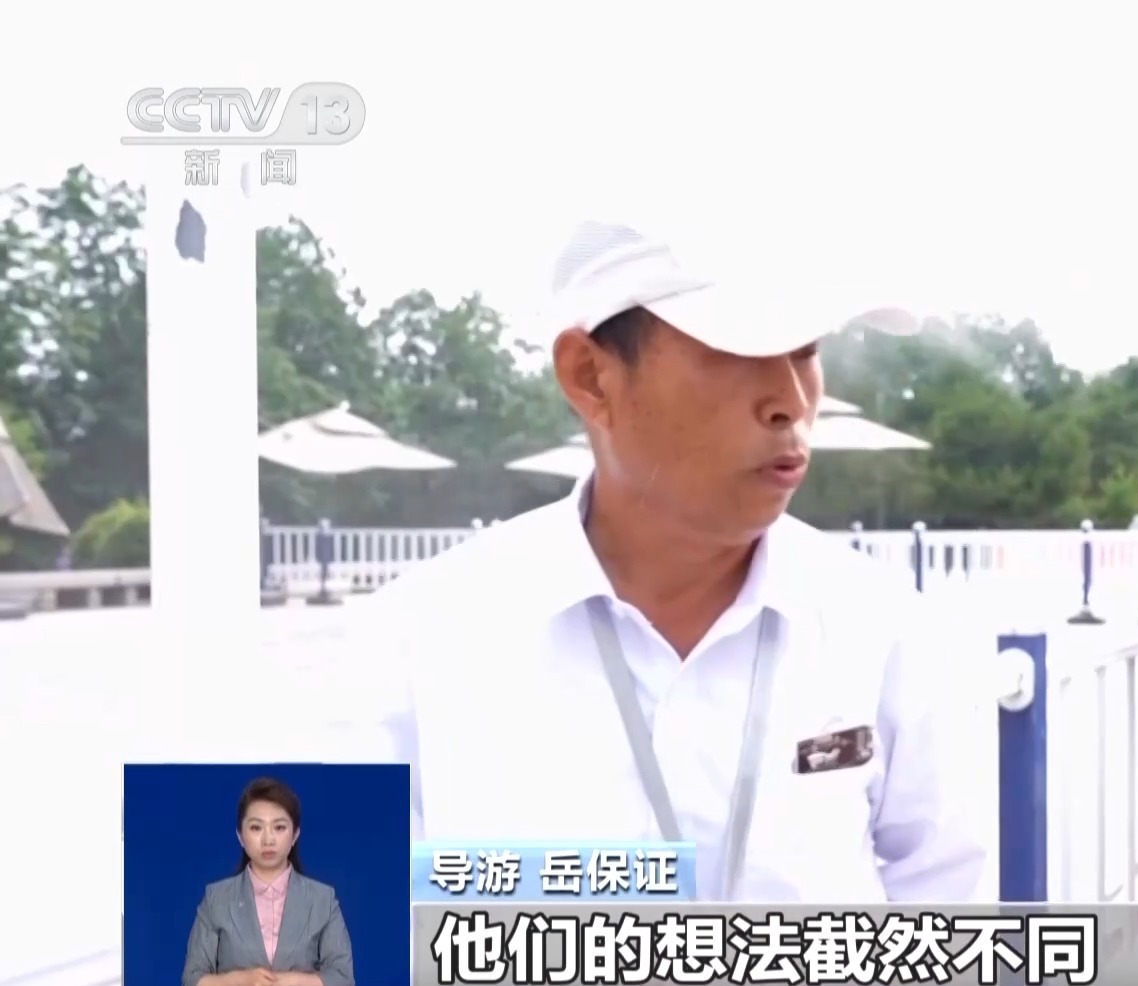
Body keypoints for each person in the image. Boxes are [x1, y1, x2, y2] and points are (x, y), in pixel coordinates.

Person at [339, 218, 988, 903]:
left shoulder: (883, 630)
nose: (791, 402)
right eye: (741, 349)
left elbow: (951, 901)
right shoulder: (416, 643)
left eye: (805, 351)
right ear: (590, 376)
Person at [182, 778, 353, 986]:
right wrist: (242, 980)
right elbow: (192, 979)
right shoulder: (216, 899)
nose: (268, 840)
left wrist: (289, 981)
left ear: (295, 835)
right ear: (240, 836)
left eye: (279, 827)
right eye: (256, 828)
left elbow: (343, 978)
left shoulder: (323, 900)